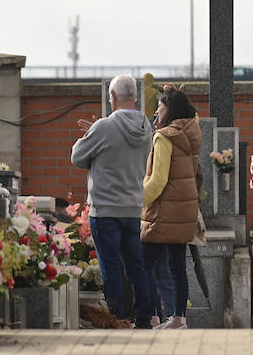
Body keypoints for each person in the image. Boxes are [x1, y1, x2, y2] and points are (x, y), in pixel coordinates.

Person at [71, 75, 154, 327]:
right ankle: (143, 318)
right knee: (136, 266)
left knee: (110, 266)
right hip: (132, 207)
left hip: (105, 208)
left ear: (113, 97)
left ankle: (115, 317)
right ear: (135, 97)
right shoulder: (146, 127)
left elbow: (77, 156)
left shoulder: (103, 127)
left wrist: (91, 133)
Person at [140, 88, 202, 330]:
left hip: (163, 211)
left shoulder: (164, 137)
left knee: (144, 265)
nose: (157, 111)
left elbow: (158, 180)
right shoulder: (192, 131)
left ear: (171, 110)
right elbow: (193, 114)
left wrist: (137, 200)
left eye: (161, 106)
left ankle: (151, 316)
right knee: (177, 266)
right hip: (184, 210)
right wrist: (174, 94)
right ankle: (178, 318)